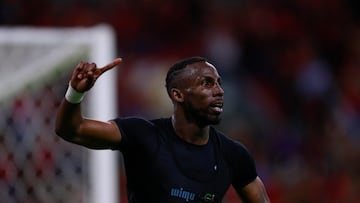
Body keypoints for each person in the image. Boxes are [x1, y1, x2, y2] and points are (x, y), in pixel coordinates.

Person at [55, 56, 271, 203]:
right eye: (207, 83)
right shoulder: (143, 135)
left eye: (218, 83)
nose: (219, 91)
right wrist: (75, 93)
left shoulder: (233, 155)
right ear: (178, 95)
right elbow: (72, 130)